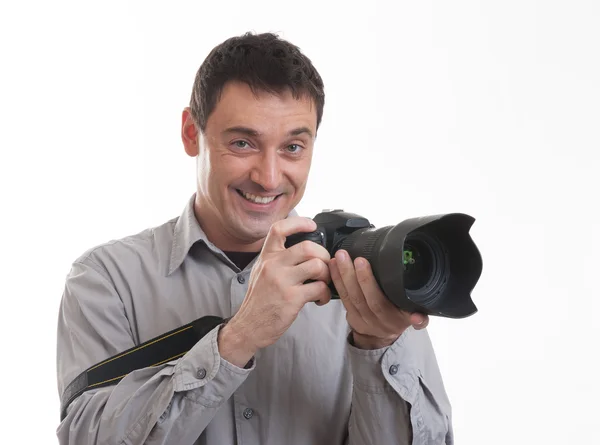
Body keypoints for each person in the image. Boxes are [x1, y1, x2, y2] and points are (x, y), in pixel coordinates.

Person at [56, 31, 454, 444]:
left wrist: (377, 349)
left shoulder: (367, 277)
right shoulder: (107, 280)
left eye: (293, 147)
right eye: (243, 143)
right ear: (192, 133)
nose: (268, 177)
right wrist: (238, 338)